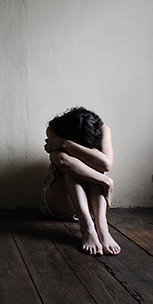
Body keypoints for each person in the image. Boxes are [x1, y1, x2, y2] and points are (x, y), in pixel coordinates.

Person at [39, 107, 121, 255]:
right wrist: (106, 181)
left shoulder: (103, 129)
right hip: (59, 201)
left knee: (96, 166)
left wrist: (66, 144)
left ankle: (102, 228)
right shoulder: (54, 128)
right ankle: (87, 227)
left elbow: (105, 164)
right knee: (72, 167)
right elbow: (63, 161)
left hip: (91, 206)